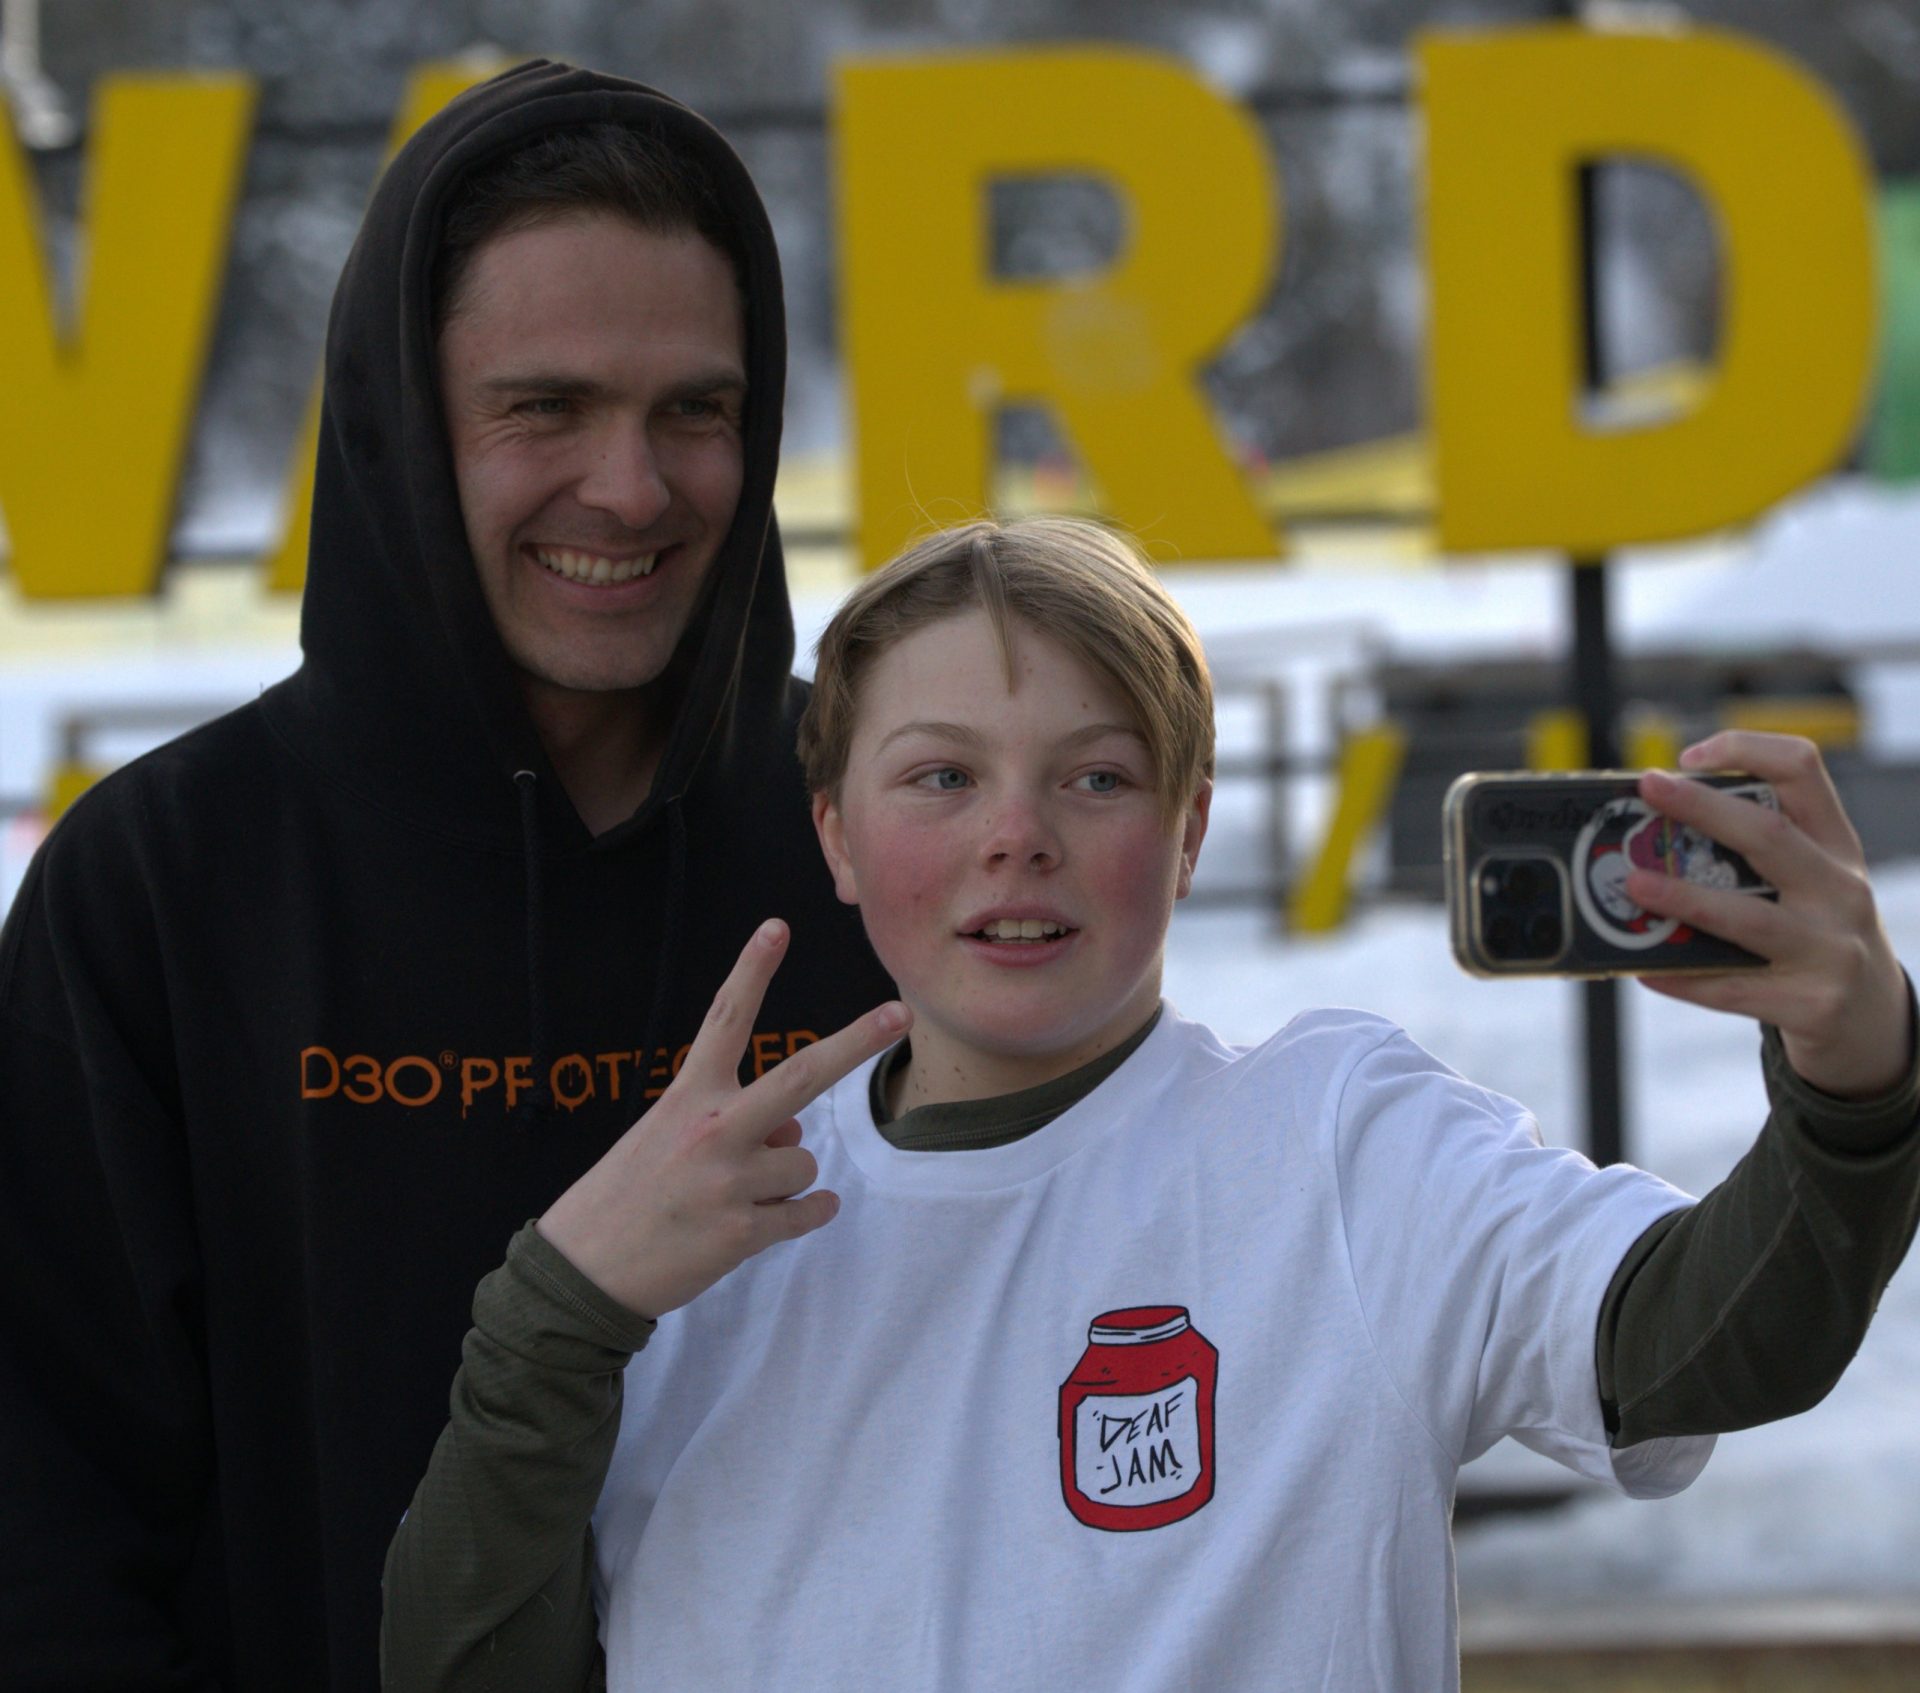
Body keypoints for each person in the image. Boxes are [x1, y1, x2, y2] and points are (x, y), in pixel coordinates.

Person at [382, 516, 1919, 1691]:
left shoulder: (1339, 1148)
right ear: (834, 833)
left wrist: (1857, 1078)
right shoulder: (685, 1229)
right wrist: (554, 1315)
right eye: (940, 778)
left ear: (1187, 834)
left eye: (1096, 778)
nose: (1018, 838)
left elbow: (1708, 1345)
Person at [0, 60, 896, 1692]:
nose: (632, 489)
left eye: (695, 409)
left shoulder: (884, 841)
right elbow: (44, 1535)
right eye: (544, 408)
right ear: (403, 428)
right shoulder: (163, 890)